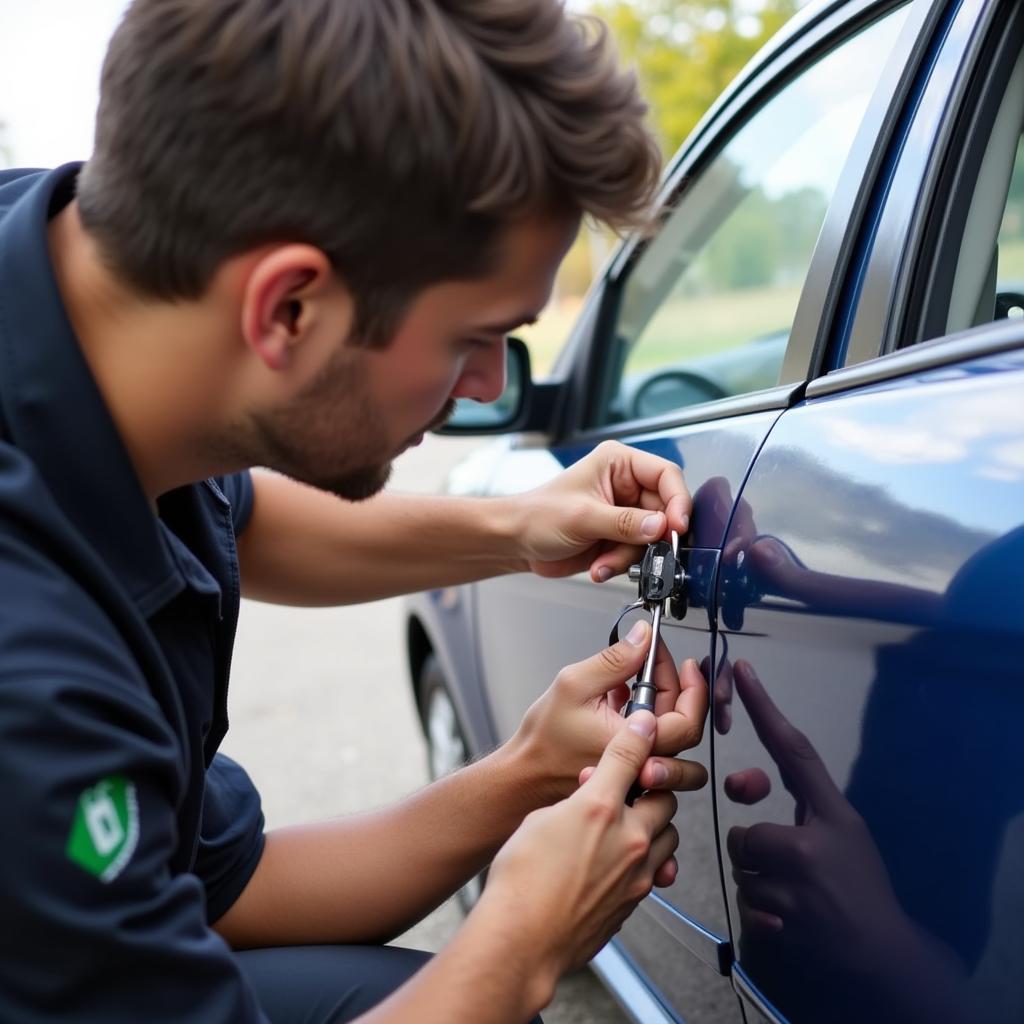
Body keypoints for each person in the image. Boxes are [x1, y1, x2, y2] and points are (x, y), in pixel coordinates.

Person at [0, 2, 712, 1021]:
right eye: (475, 336)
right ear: (288, 307)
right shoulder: (32, 684)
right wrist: (525, 936)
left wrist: (526, 751)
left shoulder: (89, 301)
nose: (481, 386)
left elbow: (225, 892)